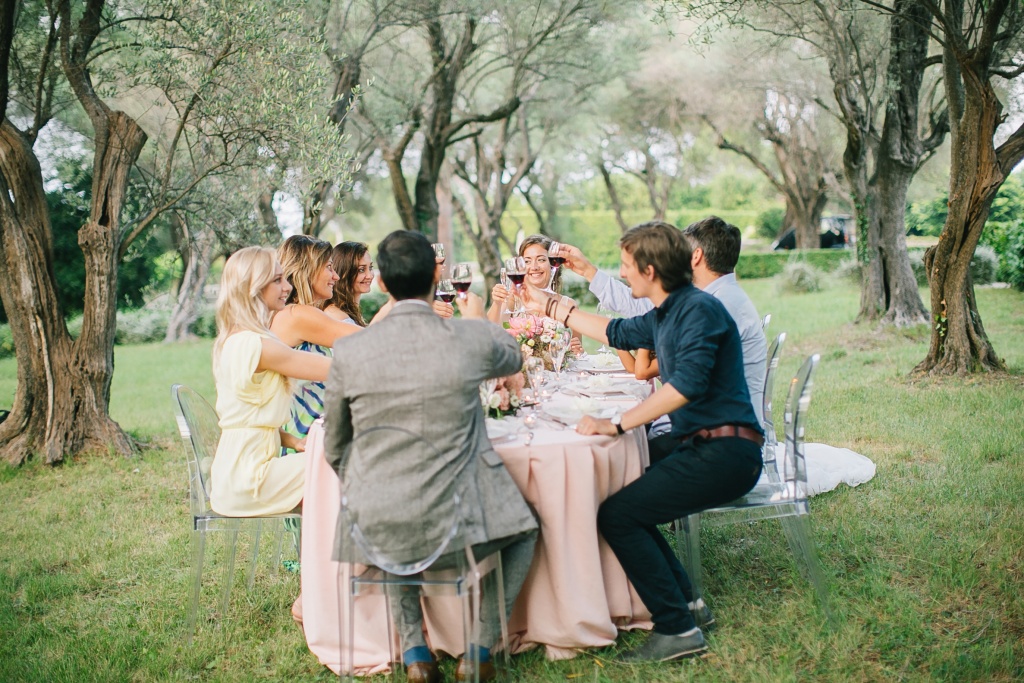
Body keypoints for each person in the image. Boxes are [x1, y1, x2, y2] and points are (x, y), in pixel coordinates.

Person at [521, 221, 763, 662]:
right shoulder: (672, 310)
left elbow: (686, 385)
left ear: (650, 270)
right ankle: (688, 603)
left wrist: (617, 425)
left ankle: (677, 628)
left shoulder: (699, 311)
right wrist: (551, 307)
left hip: (726, 453)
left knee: (619, 515)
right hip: (701, 443)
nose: (622, 272)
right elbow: (617, 332)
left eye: (627, 265)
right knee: (622, 479)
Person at [323, 231, 538, 683]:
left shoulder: (350, 349)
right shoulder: (466, 337)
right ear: (435, 277)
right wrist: (478, 318)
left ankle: (416, 655)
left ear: (383, 283)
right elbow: (512, 356)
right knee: (526, 528)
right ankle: (479, 650)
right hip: (459, 528)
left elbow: (335, 446)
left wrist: (377, 487)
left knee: (393, 534)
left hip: (376, 524)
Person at [556, 216, 766, 426]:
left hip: (718, 428)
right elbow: (627, 324)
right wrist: (579, 280)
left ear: (695, 256)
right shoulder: (703, 298)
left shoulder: (715, 305)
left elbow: (684, 384)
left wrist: (618, 424)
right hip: (701, 422)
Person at [209, 246, 333, 517]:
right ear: (252, 287)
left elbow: (248, 418)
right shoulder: (258, 346)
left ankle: (330, 543)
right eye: (277, 280)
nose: (287, 286)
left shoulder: (236, 339)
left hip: (236, 475)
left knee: (339, 465)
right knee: (348, 465)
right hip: (250, 479)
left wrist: (294, 442)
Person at [272, 235, 361, 451]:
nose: (336, 276)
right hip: (304, 444)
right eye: (329, 267)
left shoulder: (290, 313)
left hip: (304, 436)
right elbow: (371, 340)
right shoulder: (298, 315)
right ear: (308, 269)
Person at [487, 234, 583, 353]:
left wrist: (576, 351)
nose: (534, 267)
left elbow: (576, 353)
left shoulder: (569, 305)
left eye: (541, 260)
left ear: (553, 263)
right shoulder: (512, 300)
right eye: (527, 261)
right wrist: (497, 303)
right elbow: (487, 333)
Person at [322, 241, 374, 326]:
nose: (370, 275)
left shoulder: (351, 311)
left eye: (370, 267)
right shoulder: (335, 314)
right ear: (344, 273)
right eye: (361, 270)